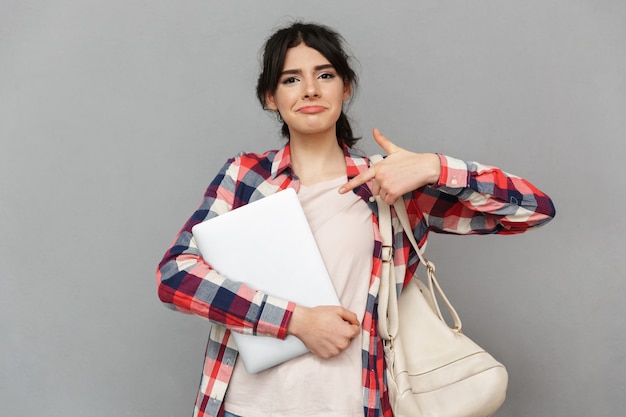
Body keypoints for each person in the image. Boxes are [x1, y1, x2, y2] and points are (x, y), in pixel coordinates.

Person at [156, 21, 555, 417]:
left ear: (345, 87)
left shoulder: (387, 183)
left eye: (324, 75)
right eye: (291, 79)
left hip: (354, 404)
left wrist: (434, 167)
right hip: (246, 407)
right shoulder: (245, 176)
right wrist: (296, 321)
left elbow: (532, 210)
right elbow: (175, 275)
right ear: (270, 97)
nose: (310, 89)